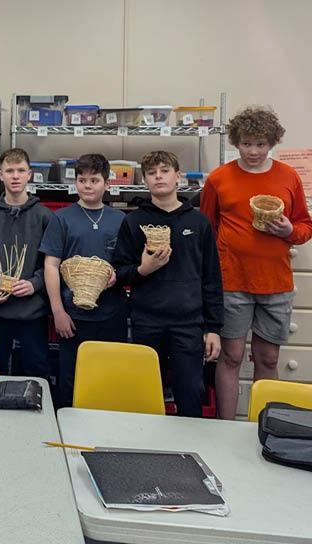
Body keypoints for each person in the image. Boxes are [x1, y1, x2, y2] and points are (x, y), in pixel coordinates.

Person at [200, 107, 312, 419]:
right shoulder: (219, 178)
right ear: (236, 142)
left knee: (268, 358)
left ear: (272, 143)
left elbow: (305, 226)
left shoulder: (288, 176)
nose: (253, 151)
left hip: (276, 283)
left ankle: (264, 426)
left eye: (261, 144)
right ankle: (226, 426)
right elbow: (206, 229)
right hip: (231, 282)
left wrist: (289, 231)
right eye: (246, 143)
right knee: (231, 356)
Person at [113, 150, 223, 417]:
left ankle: (190, 442)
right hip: (147, 321)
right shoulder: (133, 222)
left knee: (190, 394)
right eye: (151, 173)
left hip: (188, 323)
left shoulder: (198, 222)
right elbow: (119, 272)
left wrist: (214, 328)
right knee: (146, 395)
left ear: (178, 177)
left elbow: (211, 277)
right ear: (144, 180)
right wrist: (143, 270)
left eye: (164, 171)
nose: (158, 177)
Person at [39, 154, 127, 408]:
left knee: (109, 379)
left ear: (107, 184)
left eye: (94, 180)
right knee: (70, 379)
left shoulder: (120, 219)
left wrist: (118, 275)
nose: (87, 186)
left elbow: (127, 264)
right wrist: (58, 312)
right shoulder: (62, 218)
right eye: (82, 180)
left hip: (112, 314)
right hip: (73, 316)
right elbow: (51, 265)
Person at [0, 148, 52, 377]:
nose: (15, 176)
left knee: (36, 371)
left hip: (32, 312)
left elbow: (51, 264)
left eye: (20, 170)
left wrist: (34, 284)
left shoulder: (44, 216)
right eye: (9, 171)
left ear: (29, 174)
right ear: (0, 175)